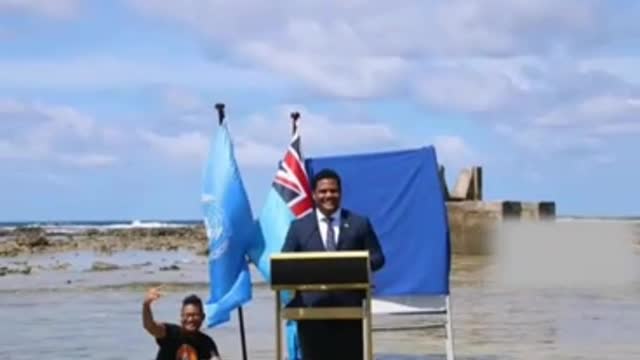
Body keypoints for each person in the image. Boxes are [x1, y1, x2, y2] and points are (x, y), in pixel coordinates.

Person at [281, 168, 385, 360]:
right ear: (313, 195)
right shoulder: (299, 227)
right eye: (323, 191)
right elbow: (285, 261)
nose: (328, 195)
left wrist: (355, 266)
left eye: (333, 191)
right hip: (311, 313)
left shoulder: (359, 223)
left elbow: (378, 258)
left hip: (350, 312)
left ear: (340, 193)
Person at [142, 286, 221, 360]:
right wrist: (146, 305)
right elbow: (150, 326)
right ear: (181, 317)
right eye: (187, 315)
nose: (190, 319)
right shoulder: (170, 333)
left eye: (194, 315)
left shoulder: (207, 343)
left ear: (202, 317)